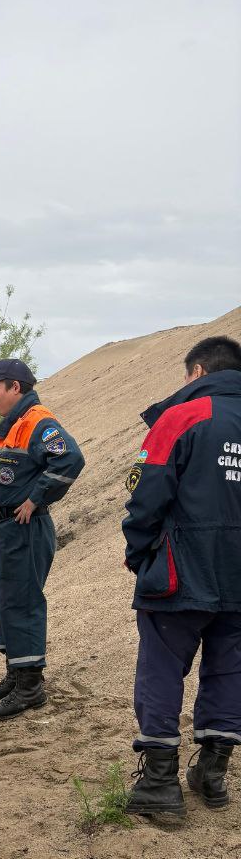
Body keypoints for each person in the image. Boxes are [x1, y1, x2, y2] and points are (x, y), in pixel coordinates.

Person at [123, 335, 241, 822]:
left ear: (196, 373)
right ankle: (212, 773)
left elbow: (147, 494)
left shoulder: (183, 416)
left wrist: (139, 553)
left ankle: (158, 783)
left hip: (179, 572)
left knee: (162, 668)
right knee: (230, 667)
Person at [0, 358, 85, 717]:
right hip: (5, 529)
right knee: (1, 598)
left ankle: (30, 686)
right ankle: (16, 669)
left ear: (15, 388)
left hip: (25, 528)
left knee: (20, 601)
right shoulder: (14, 423)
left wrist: (35, 498)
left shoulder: (38, 420)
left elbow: (70, 459)